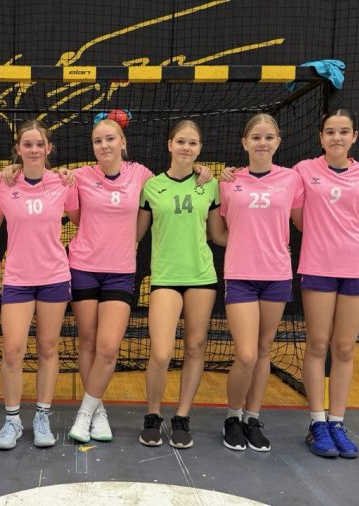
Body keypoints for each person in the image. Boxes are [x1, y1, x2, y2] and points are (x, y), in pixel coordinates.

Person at [136, 119, 225, 449]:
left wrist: (262, 241)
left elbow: (218, 235)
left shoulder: (210, 185)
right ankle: (152, 415)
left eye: (193, 143)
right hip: (165, 277)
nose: (186, 147)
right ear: (170, 145)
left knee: (195, 347)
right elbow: (134, 234)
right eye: (181, 141)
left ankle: (182, 417)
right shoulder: (151, 186)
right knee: (161, 353)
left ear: (199, 148)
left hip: (202, 276)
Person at [0, 119, 80, 450]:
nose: (33, 149)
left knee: (48, 348)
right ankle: (12, 420)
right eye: (27, 144)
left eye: (39, 144)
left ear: (48, 148)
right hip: (18, 277)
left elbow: (81, 218)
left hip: (54, 276)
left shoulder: (63, 182)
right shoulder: (3, 183)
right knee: (13, 350)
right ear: (18, 149)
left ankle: (42, 416)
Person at [217, 113, 304, 453]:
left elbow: (303, 222)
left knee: (265, 349)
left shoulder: (292, 179)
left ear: (278, 141)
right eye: (256, 137)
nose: (262, 143)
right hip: (240, 274)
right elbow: (219, 232)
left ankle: (252, 418)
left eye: (269, 137)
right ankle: (232, 417)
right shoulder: (229, 181)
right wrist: (246, 243)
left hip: (276, 274)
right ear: (244, 143)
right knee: (246, 354)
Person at [296, 109, 359, 459]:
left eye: (344, 131)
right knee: (317, 344)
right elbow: (295, 214)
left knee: (344, 348)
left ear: (354, 137)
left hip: (357, 268)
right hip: (318, 266)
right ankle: (318, 423)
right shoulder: (304, 171)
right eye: (330, 131)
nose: (337, 137)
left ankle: (338, 422)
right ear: (321, 137)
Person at [64, 119, 154, 443]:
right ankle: (97, 412)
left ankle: (84, 412)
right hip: (84, 266)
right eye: (98, 140)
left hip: (120, 270)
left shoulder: (141, 175)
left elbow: (170, 187)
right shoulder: (80, 177)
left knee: (108, 347)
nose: (104, 145)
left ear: (122, 142)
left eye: (110, 139)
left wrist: (202, 173)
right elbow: (76, 217)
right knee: (88, 342)